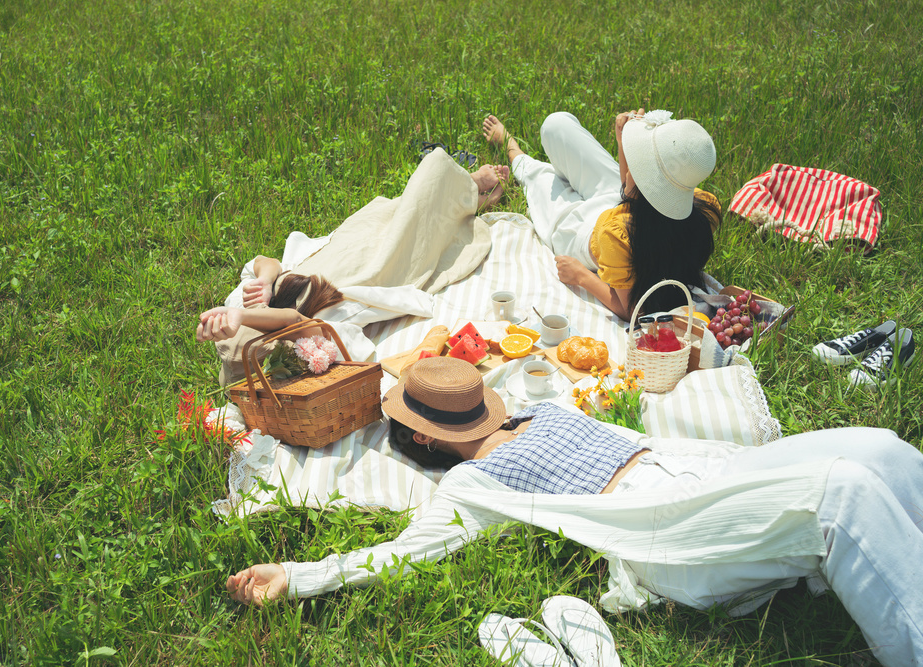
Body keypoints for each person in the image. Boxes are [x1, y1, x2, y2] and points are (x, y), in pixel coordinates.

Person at [226, 357, 923, 667]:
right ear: (429, 442)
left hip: (706, 472)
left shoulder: (542, 406)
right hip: (664, 524)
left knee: (882, 450)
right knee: (844, 494)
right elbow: (407, 550)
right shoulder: (473, 484)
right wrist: (302, 572)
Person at [196, 150, 509, 384]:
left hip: (344, 248)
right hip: (374, 269)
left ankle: (466, 190)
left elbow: (265, 262)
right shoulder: (307, 341)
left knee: (395, 213)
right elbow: (297, 321)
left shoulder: (247, 301)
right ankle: (469, 195)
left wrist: (265, 281)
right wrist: (244, 317)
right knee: (425, 195)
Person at [482, 111, 722, 320]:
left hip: (582, 235)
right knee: (557, 125)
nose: (630, 165)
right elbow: (633, 197)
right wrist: (622, 143)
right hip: (620, 205)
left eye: (637, 163)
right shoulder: (701, 205)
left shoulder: (616, 238)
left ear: (643, 183)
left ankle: (511, 148)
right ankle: (554, 167)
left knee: (539, 179)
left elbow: (632, 310)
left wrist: (582, 276)